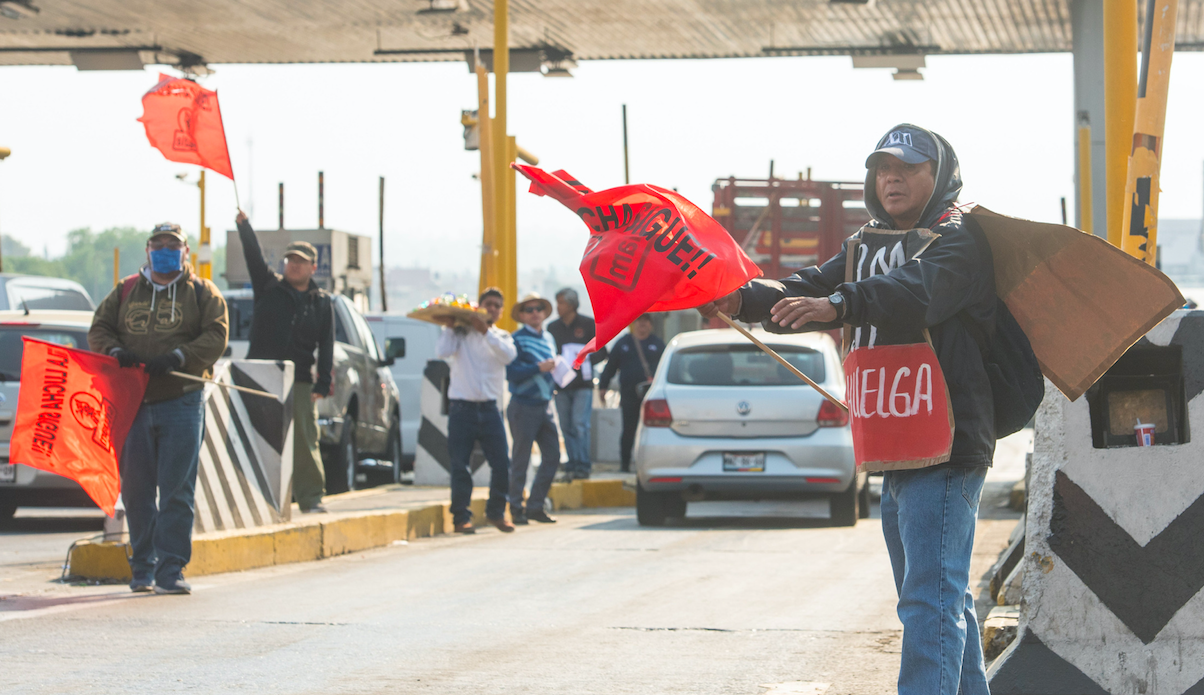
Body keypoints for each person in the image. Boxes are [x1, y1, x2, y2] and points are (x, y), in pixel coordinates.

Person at [702, 124, 995, 694]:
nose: (892, 178)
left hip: (947, 439)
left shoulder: (961, 237)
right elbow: (808, 283)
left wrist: (838, 302)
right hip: (893, 442)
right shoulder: (866, 243)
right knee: (938, 599)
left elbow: (917, 290)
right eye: (883, 168)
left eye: (909, 168)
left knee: (928, 602)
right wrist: (743, 297)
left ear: (939, 176)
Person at [89, 222, 228, 595]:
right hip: (133, 402)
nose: (165, 249)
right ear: (148, 250)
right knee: (135, 490)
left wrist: (180, 357)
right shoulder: (126, 290)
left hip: (181, 399)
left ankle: (171, 569)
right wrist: (116, 352)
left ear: (185, 252)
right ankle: (142, 567)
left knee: (176, 491)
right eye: (159, 244)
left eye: (173, 244)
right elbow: (99, 329)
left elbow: (217, 334)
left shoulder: (203, 292)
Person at [235, 211, 334, 514]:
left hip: (300, 379)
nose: (294, 265)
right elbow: (253, 256)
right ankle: (249, 498)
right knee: (255, 435)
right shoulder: (268, 286)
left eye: (301, 261)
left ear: (313, 267)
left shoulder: (321, 301)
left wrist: (322, 381)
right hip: (261, 374)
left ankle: (311, 497)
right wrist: (245, 227)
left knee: (304, 440)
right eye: (291, 260)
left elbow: (326, 344)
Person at [435, 287, 517, 534]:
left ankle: (496, 512)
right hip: (462, 409)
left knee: (502, 464)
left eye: (496, 305)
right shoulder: (461, 334)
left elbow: (509, 356)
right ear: (479, 307)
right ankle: (461, 517)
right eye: (487, 304)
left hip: (491, 409)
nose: (491, 308)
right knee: (460, 465)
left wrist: (487, 332)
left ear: (501, 312)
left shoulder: (502, 337)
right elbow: (442, 352)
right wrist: (450, 326)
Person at [504, 293, 561, 524]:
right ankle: (516, 507)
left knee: (553, 456)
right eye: (529, 310)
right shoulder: (516, 339)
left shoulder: (548, 338)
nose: (535, 312)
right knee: (521, 458)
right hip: (523, 405)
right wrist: (538, 368)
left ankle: (535, 505)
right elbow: (511, 373)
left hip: (545, 404)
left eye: (538, 308)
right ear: (522, 315)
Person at [546, 288, 607, 480]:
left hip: (583, 385)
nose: (558, 307)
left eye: (561, 302)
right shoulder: (552, 328)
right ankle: (572, 463)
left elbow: (602, 351)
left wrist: (584, 360)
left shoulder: (588, 325)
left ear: (571, 304)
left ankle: (583, 464)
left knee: (580, 424)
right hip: (561, 385)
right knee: (565, 425)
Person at [597, 314, 664, 473]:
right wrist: (603, 387)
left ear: (651, 324)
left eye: (646, 321)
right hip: (629, 395)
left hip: (653, 397)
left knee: (654, 431)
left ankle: (654, 464)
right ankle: (625, 464)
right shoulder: (623, 343)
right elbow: (610, 367)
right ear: (633, 324)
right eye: (639, 321)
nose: (642, 324)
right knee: (629, 430)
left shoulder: (658, 344)